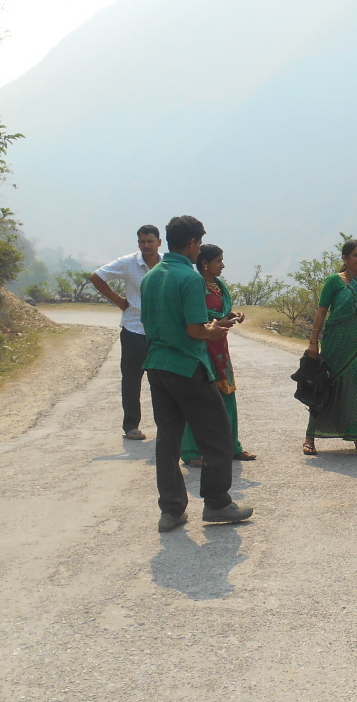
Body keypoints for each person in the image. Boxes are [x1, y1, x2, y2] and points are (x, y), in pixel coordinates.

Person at [141, 216, 253, 532]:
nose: (200, 248)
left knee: (168, 439)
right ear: (192, 243)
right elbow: (194, 329)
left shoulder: (152, 276)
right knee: (218, 434)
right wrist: (214, 329)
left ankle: (172, 510)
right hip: (187, 366)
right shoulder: (190, 279)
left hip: (157, 366)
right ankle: (217, 503)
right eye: (200, 243)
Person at [303, 239, 357, 455]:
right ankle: (310, 437)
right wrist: (313, 343)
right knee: (325, 386)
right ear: (345, 258)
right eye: (356, 255)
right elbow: (322, 312)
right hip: (335, 343)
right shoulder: (334, 281)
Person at [180, 244, 256, 467]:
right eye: (218, 261)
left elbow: (218, 313)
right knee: (198, 399)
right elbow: (195, 317)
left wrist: (231, 315)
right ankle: (192, 451)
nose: (222, 265)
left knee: (227, 396)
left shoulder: (217, 285)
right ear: (205, 263)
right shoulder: (196, 285)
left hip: (220, 348)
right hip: (202, 348)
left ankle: (232, 446)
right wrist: (217, 322)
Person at [90, 225, 161, 441]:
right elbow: (96, 277)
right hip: (133, 329)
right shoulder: (128, 262)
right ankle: (131, 425)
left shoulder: (168, 263)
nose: (146, 245)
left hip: (160, 331)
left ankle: (166, 426)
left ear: (159, 242)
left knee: (161, 381)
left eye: (150, 241)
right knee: (131, 380)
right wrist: (119, 300)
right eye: (142, 242)